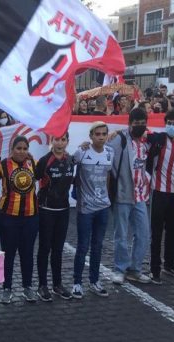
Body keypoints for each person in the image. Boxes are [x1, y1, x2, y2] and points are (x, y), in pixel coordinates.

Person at [107, 108, 152, 285]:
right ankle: (120, 268)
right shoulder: (119, 140)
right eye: (136, 123)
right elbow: (103, 149)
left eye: (143, 123)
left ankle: (135, 269)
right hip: (122, 195)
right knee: (121, 234)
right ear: (129, 123)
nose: (140, 126)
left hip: (141, 196)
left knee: (143, 234)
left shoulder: (147, 140)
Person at [72, 122, 113, 298]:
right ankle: (77, 283)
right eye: (97, 134)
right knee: (83, 246)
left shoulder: (111, 153)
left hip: (103, 207)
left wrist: (108, 198)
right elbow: (68, 165)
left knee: (98, 246)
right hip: (86, 208)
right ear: (91, 136)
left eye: (104, 133)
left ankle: (94, 281)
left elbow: (108, 177)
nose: (101, 137)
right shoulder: (82, 152)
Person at [0, 136, 38, 303]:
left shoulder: (33, 163)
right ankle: (7, 288)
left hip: (30, 217)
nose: (21, 152)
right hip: (8, 217)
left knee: (27, 253)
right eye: (18, 148)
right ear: (12, 149)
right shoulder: (4, 164)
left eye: (24, 148)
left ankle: (27, 287)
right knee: (9, 254)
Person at [146, 109, 174, 282]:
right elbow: (138, 134)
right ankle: (155, 268)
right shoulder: (159, 139)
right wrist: (115, 132)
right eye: (168, 123)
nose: (171, 126)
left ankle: (169, 264)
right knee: (156, 232)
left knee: (173, 231)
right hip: (158, 191)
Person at [35, 132, 74, 301]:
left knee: (58, 249)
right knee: (45, 248)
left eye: (63, 139)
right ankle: (42, 285)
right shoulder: (45, 160)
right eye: (57, 139)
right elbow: (34, 179)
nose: (60, 143)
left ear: (67, 141)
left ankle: (57, 284)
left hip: (64, 210)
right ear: (52, 141)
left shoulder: (71, 159)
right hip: (46, 210)